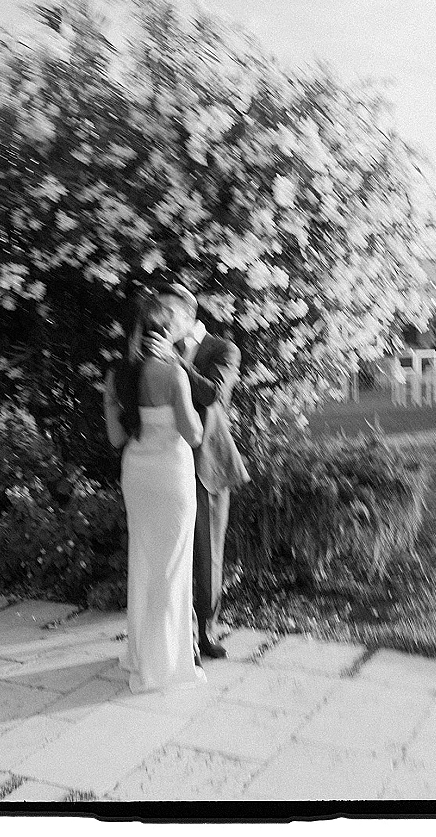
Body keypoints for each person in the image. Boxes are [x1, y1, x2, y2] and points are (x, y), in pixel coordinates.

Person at [104, 297, 206, 693]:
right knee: (172, 567)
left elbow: (116, 438)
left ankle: (141, 655)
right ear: (162, 333)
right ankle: (165, 663)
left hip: (137, 474)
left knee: (144, 562)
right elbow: (193, 434)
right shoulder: (172, 373)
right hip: (171, 476)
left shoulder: (116, 377)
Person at [145, 281, 250, 661]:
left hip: (207, 464)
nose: (162, 320)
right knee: (170, 552)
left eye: (170, 313)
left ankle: (206, 631)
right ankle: (174, 634)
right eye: (159, 312)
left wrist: (176, 362)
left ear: (190, 316)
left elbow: (213, 395)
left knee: (207, 554)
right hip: (165, 462)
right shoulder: (156, 351)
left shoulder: (222, 349)